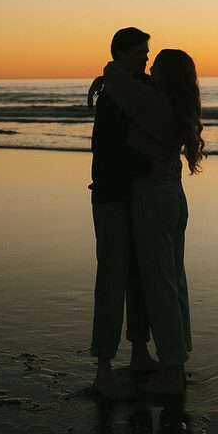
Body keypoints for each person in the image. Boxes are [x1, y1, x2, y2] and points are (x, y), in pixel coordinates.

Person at [102, 48, 205, 395]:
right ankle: (177, 358)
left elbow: (116, 77)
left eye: (155, 66)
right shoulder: (176, 104)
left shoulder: (152, 105)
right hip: (174, 196)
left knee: (158, 285)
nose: (149, 68)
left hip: (151, 197)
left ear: (166, 75)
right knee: (174, 280)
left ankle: (172, 369)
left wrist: (107, 73)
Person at [88, 27, 159, 398]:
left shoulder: (129, 87)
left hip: (133, 195)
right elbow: (106, 148)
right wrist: (144, 164)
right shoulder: (113, 96)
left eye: (146, 52)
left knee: (138, 276)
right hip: (112, 196)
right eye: (139, 53)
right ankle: (103, 369)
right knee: (113, 279)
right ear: (120, 54)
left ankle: (139, 352)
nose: (146, 58)